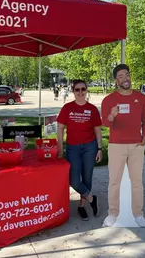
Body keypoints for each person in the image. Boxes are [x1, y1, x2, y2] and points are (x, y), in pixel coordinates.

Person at [101, 64, 145, 227]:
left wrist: (144, 137)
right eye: (121, 76)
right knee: (114, 181)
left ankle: (138, 214)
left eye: (127, 75)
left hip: (137, 145)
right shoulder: (109, 100)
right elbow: (105, 123)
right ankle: (112, 213)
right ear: (116, 80)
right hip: (116, 146)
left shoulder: (141, 98)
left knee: (137, 181)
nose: (125, 78)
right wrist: (112, 115)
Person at [57, 79, 103, 221]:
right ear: (73, 91)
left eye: (83, 89)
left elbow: (98, 131)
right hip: (73, 148)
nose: (80, 92)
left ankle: (82, 206)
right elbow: (60, 128)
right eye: (77, 89)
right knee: (74, 180)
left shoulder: (93, 109)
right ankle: (91, 199)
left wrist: (100, 148)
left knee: (87, 177)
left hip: (90, 146)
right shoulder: (67, 108)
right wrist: (60, 148)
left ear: (86, 90)